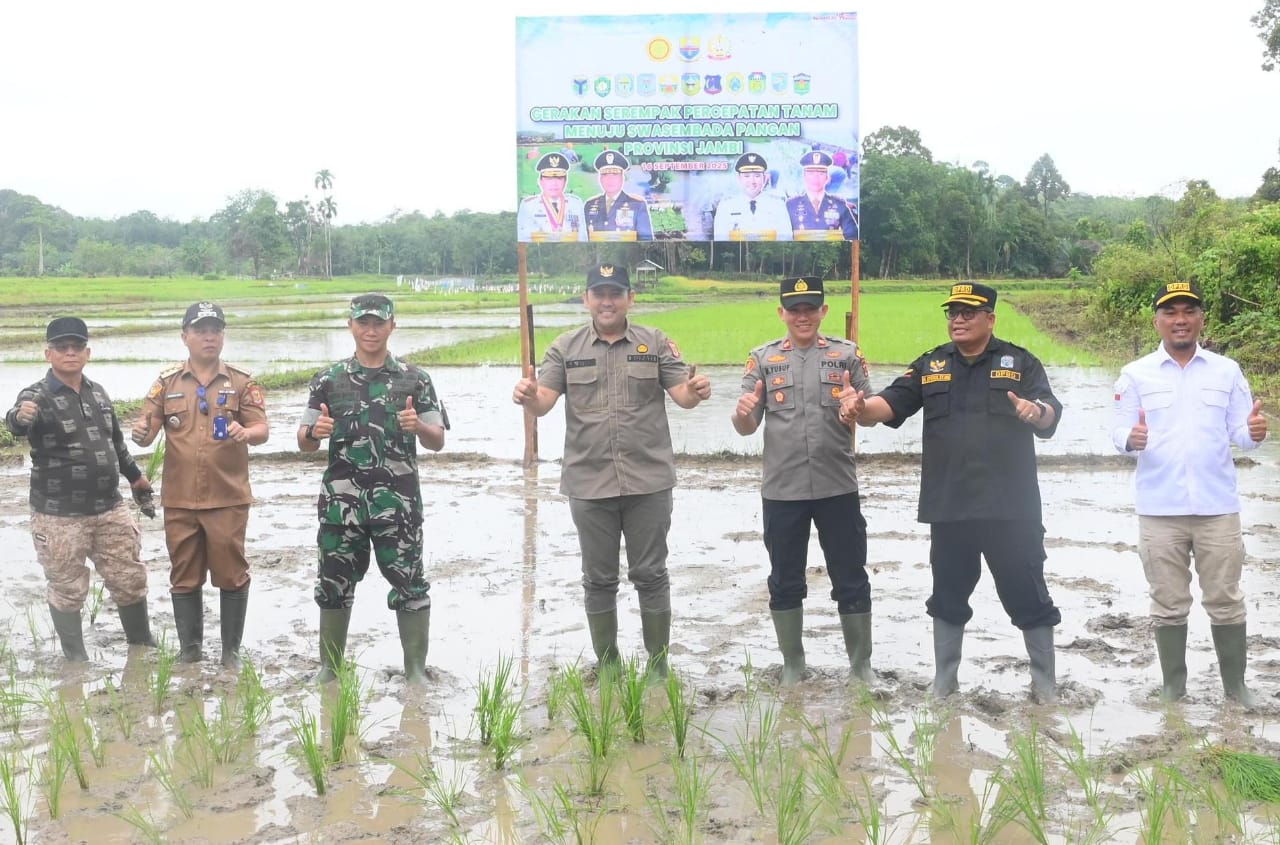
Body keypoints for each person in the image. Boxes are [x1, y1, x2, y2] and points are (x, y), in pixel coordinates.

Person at [848, 283, 1062, 702]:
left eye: (968, 311)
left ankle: (1045, 685)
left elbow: (1050, 412)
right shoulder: (931, 365)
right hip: (950, 509)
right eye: (952, 312)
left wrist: (1036, 412)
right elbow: (888, 405)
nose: (958, 319)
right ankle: (944, 682)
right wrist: (860, 409)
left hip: (1011, 510)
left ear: (990, 318)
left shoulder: (1019, 363)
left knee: (1028, 594)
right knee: (947, 597)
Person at [512, 264, 710, 677]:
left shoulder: (654, 342)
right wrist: (528, 395)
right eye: (598, 293)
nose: (607, 301)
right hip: (589, 481)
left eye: (615, 293)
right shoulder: (564, 348)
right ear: (586, 299)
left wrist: (694, 391)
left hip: (649, 479)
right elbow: (543, 402)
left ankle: (658, 667)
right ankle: (608, 665)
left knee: (651, 574)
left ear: (630, 299)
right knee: (598, 578)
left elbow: (683, 396)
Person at [1112, 282, 1268, 705]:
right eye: (1170, 312)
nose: (1179, 319)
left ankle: (1236, 687)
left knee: (1226, 598)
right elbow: (1118, 431)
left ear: (1201, 318)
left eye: (1188, 311)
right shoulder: (1135, 373)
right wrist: (1133, 437)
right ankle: (1172, 687)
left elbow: (1241, 432)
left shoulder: (1226, 370)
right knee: (1167, 601)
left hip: (1218, 508)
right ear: (1156, 320)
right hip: (1159, 509)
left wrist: (1254, 433)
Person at [299, 293, 449, 686]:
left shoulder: (415, 380)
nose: (370, 330)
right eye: (363, 322)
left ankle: (415, 671)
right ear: (350, 325)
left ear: (391, 326)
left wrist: (420, 427)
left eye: (378, 323)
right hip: (340, 506)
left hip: (396, 505)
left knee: (410, 584)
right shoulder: (328, 380)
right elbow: (304, 439)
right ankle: (330, 669)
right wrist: (315, 432)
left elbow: (437, 440)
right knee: (332, 584)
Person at [731, 277, 873, 686]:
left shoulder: (846, 356)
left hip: (837, 487)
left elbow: (867, 408)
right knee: (785, 579)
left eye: (811, 307)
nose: (803, 316)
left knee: (851, 577)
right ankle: (793, 665)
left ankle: (860, 667)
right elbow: (745, 425)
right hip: (783, 491)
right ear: (782, 313)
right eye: (794, 309)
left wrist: (856, 406)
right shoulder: (763, 359)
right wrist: (742, 412)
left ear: (824, 311)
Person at [6, 317, 157, 661]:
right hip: (58, 515)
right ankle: (76, 658)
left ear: (87, 352)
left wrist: (136, 478)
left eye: (77, 346)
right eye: (62, 347)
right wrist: (20, 416)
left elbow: (116, 443)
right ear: (49, 353)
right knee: (67, 586)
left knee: (130, 576)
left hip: (109, 507)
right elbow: (15, 421)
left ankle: (142, 643)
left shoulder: (98, 392)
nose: (70, 352)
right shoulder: (36, 395)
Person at [133, 302, 269, 669]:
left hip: (227, 496)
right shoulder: (166, 383)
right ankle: (190, 650)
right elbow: (146, 434)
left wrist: (246, 431)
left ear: (222, 335)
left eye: (215, 329)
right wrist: (140, 433)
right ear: (185, 337)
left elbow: (262, 430)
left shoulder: (241, 382)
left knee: (232, 573)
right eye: (201, 330)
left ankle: (230, 653)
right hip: (179, 498)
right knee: (183, 573)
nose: (209, 336)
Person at [713, 152, 793, 241]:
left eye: (757, 176)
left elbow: (786, 238)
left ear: (764, 178)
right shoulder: (726, 206)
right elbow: (720, 239)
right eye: (746, 176)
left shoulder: (778, 205)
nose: (752, 181)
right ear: (739, 178)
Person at [786, 149, 858, 241]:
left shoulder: (791, 203)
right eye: (811, 173)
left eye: (820, 173)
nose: (815, 178)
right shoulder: (840, 172)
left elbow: (853, 235)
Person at [517, 152, 588, 242]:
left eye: (559, 178)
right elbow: (523, 238)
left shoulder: (576, 204)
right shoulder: (528, 206)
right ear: (540, 181)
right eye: (549, 178)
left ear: (565, 181)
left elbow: (583, 237)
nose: (554, 183)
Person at [584, 150, 653, 241]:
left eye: (615, 174)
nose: (610, 179)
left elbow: (647, 244)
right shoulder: (590, 205)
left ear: (622, 178)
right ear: (600, 179)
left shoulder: (637, 205)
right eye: (605, 174)